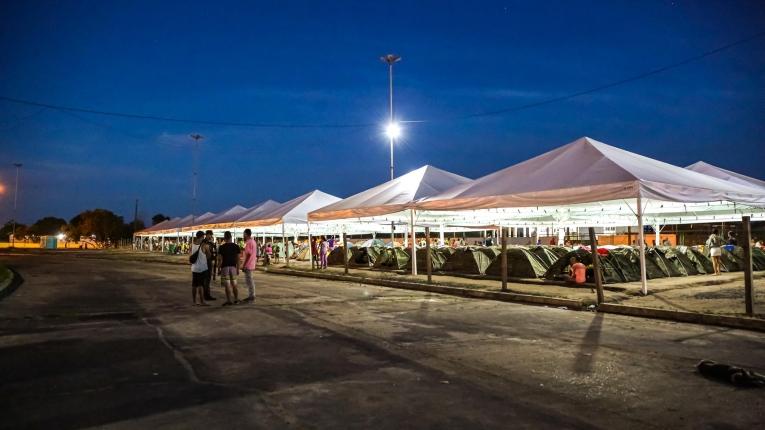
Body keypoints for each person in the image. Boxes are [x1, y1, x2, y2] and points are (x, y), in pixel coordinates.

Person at [217, 231, 240, 306]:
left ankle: (229, 300)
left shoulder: (221, 247)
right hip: (233, 267)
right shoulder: (236, 246)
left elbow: (220, 259)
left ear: (224, 238)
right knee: (234, 284)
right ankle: (236, 299)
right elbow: (238, 259)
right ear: (231, 237)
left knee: (227, 285)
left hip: (225, 268)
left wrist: (218, 269)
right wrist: (238, 269)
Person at [190, 231, 210, 306]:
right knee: (201, 285)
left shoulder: (192, 245)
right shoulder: (204, 245)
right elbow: (208, 256)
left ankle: (194, 301)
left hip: (194, 268)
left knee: (194, 285)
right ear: (202, 236)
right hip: (202, 268)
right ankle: (202, 302)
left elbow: (190, 256)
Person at [241, 229, 258, 302]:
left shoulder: (248, 242)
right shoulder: (253, 241)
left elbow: (248, 254)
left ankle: (252, 296)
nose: (243, 235)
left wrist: (244, 265)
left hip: (248, 264)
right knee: (250, 280)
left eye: (244, 234)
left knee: (249, 281)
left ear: (246, 234)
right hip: (251, 263)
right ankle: (251, 295)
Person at [202, 230, 217, 301]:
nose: (211, 237)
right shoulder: (204, 242)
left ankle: (207, 295)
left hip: (209, 262)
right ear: (207, 235)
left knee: (208, 280)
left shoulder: (210, 243)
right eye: (210, 235)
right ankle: (206, 295)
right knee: (206, 279)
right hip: (205, 263)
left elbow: (213, 253)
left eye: (211, 235)